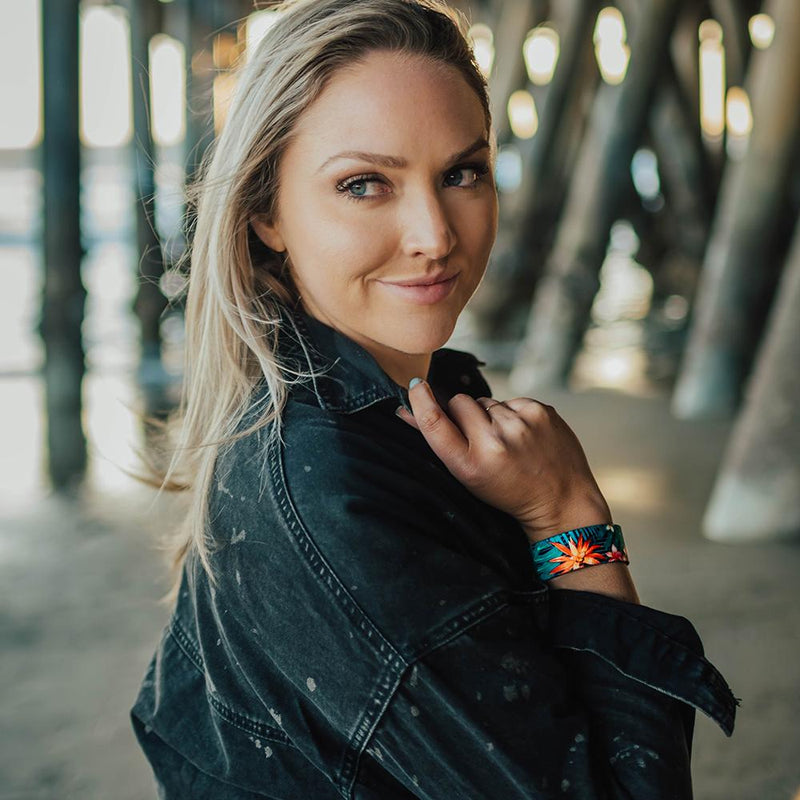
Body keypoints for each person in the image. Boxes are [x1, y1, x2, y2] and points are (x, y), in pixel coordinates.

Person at [130, 0, 738, 797]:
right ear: (265, 213)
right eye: (364, 184)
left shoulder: (377, 407)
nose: (435, 233)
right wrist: (570, 518)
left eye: (461, 173)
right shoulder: (335, 493)